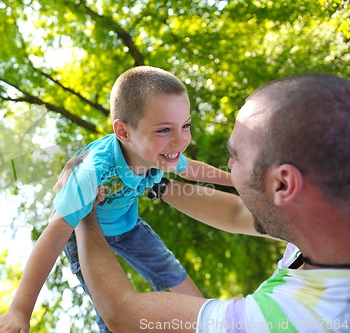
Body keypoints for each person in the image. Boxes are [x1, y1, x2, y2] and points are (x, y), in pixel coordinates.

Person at [73, 73, 350, 332]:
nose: (228, 166)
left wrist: (84, 211)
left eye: (236, 157)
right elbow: (235, 213)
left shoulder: (291, 318)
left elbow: (123, 314)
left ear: (283, 184)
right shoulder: (323, 227)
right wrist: (155, 180)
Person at [0, 66, 233, 333]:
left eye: (186, 126)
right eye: (165, 130)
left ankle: (211, 323)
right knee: (109, 308)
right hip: (82, 232)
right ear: (123, 132)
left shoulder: (163, 153)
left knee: (167, 267)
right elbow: (53, 234)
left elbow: (193, 169)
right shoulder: (92, 172)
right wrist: (19, 311)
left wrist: (234, 179)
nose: (180, 140)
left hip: (126, 225)